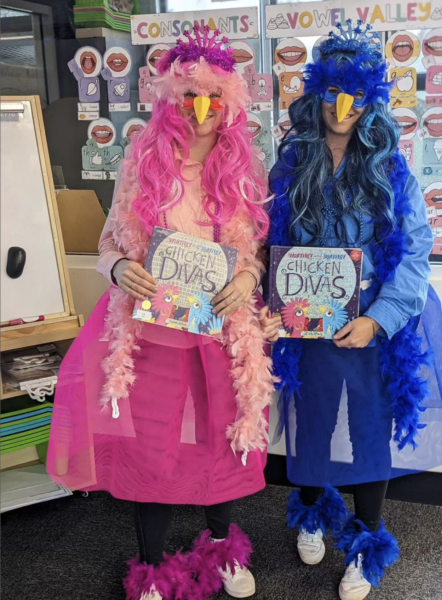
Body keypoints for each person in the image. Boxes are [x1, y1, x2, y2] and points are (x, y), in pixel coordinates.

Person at [47, 27, 274, 600]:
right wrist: (121, 270)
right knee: (150, 446)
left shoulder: (245, 167)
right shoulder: (141, 162)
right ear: (171, 100)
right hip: (150, 331)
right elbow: (108, 246)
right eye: (190, 97)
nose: (201, 111)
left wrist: (248, 275)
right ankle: (151, 567)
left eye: (213, 98)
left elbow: (254, 252)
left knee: (222, 439)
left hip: (219, 330)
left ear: (229, 103)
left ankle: (222, 549)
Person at [260, 21, 442, 600]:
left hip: (371, 323)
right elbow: (267, 239)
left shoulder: (392, 171)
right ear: (317, 94)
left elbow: (415, 251)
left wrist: (379, 318)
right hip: (306, 323)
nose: (341, 107)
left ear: (370, 100)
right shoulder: (290, 163)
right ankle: (313, 511)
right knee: (312, 420)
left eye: (354, 96)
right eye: (331, 93)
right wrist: (274, 299)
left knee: (371, 429)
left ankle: (368, 538)